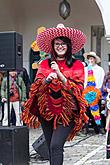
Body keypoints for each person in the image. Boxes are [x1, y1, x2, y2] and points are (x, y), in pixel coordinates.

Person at [22, 24, 88, 165]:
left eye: (63, 43)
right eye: (57, 43)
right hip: (47, 112)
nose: (60, 46)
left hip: (68, 113)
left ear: (68, 46)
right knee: (51, 148)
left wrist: (59, 74)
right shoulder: (45, 64)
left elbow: (78, 88)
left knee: (56, 145)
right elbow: (36, 89)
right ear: (52, 46)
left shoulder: (77, 65)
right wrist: (47, 79)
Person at [83, 51, 105, 134]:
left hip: (96, 92)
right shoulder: (85, 69)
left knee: (96, 110)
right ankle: (87, 127)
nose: (90, 60)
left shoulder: (99, 69)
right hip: (86, 92)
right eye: (89, 58)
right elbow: (84, 80)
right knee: (86, 111)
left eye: (92, 58)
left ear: (95, 59)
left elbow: (101, 80)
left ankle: (98, 128)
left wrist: (96, 90)